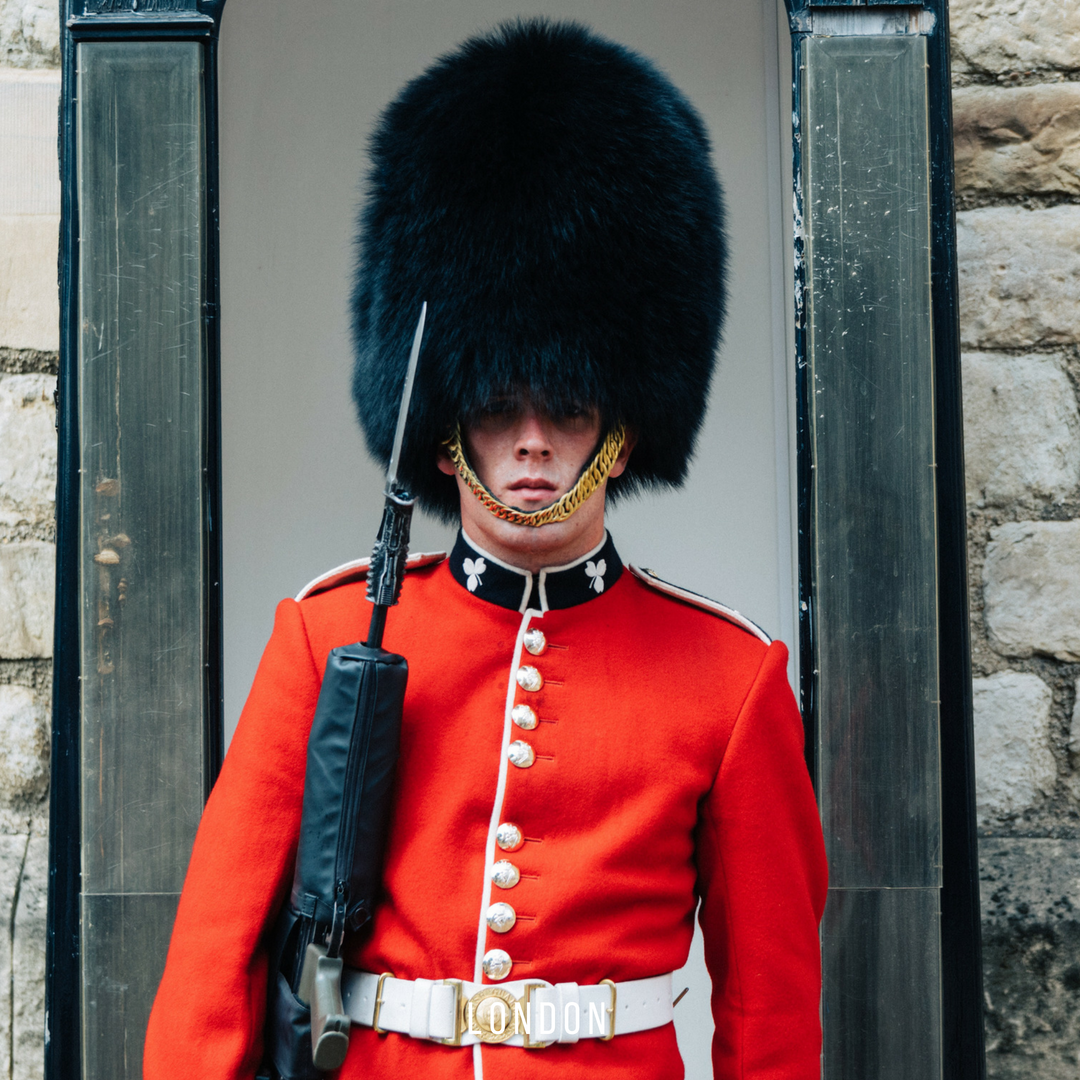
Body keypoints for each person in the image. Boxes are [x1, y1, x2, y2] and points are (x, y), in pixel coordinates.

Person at [144, 19, 827, 1080]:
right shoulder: (327, 638)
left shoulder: (729, 684)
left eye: (564, 405)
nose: (531, 443)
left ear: (625, 424)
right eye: (498, 404)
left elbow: (770, 1015)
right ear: (447, 423)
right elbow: (211, 966)